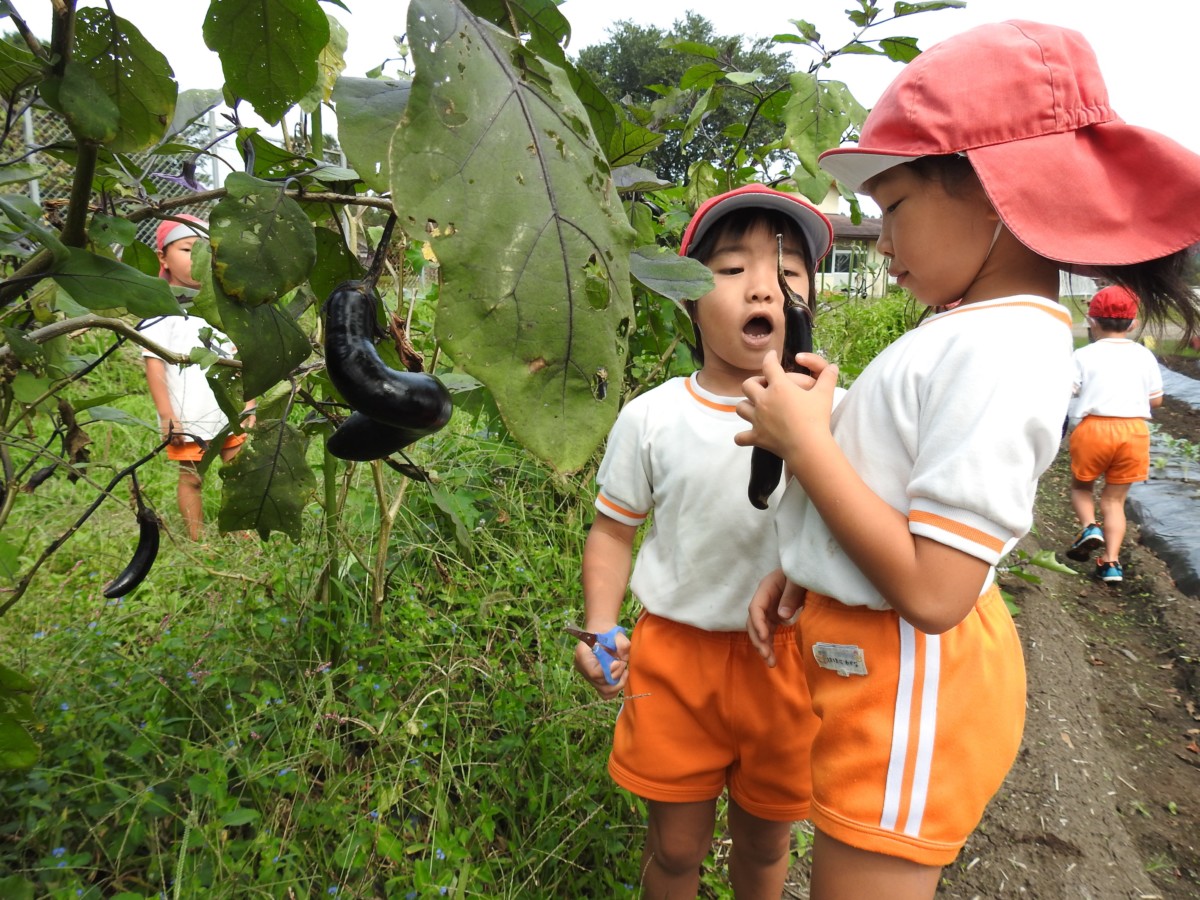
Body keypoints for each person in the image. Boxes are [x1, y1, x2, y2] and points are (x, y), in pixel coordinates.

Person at [734, 21, 1200, 900]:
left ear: (997, 189)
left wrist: (804, 443)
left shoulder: (999, 349)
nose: (883, 238)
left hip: (909, 685)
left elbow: (937, 590)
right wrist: (817, 562)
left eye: (895, 206)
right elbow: (899, 479)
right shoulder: (972, 331)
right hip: (879, 665)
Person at [575, 184, 833, 897]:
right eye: (730, 268)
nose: (764, 287)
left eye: (789, 274)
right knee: (677, 848)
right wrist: (601, 626)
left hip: (787, 661)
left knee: (765, 844)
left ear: (809, 304)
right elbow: (612, 531)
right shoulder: (653, 417)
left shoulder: (834, 415)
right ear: (687, 298)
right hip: (675, 660)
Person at [139, 216, 254, 540]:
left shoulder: (225, 306)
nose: (197, 258)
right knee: (191, 478)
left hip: (229, 413)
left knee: (239, 472)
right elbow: (154, 364)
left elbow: (240, 359)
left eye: (206, 250)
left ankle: (242, 535)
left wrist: (250, 404)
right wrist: (167, 416)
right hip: (189, 418)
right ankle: (197, 540)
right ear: (162, 257)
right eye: (187, 249)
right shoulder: (162, 310)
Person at [1065, 285, 1164, 583]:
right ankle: (1110, 563)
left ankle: (1089, 527)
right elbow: (1156, 399)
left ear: (1092, 322)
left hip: (1093, 428)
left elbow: (1066, 390)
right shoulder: (1144, 356)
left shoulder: (1083, 355)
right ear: (1133, 324)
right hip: (1134, 431)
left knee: (1082, 487)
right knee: (1114, 502)